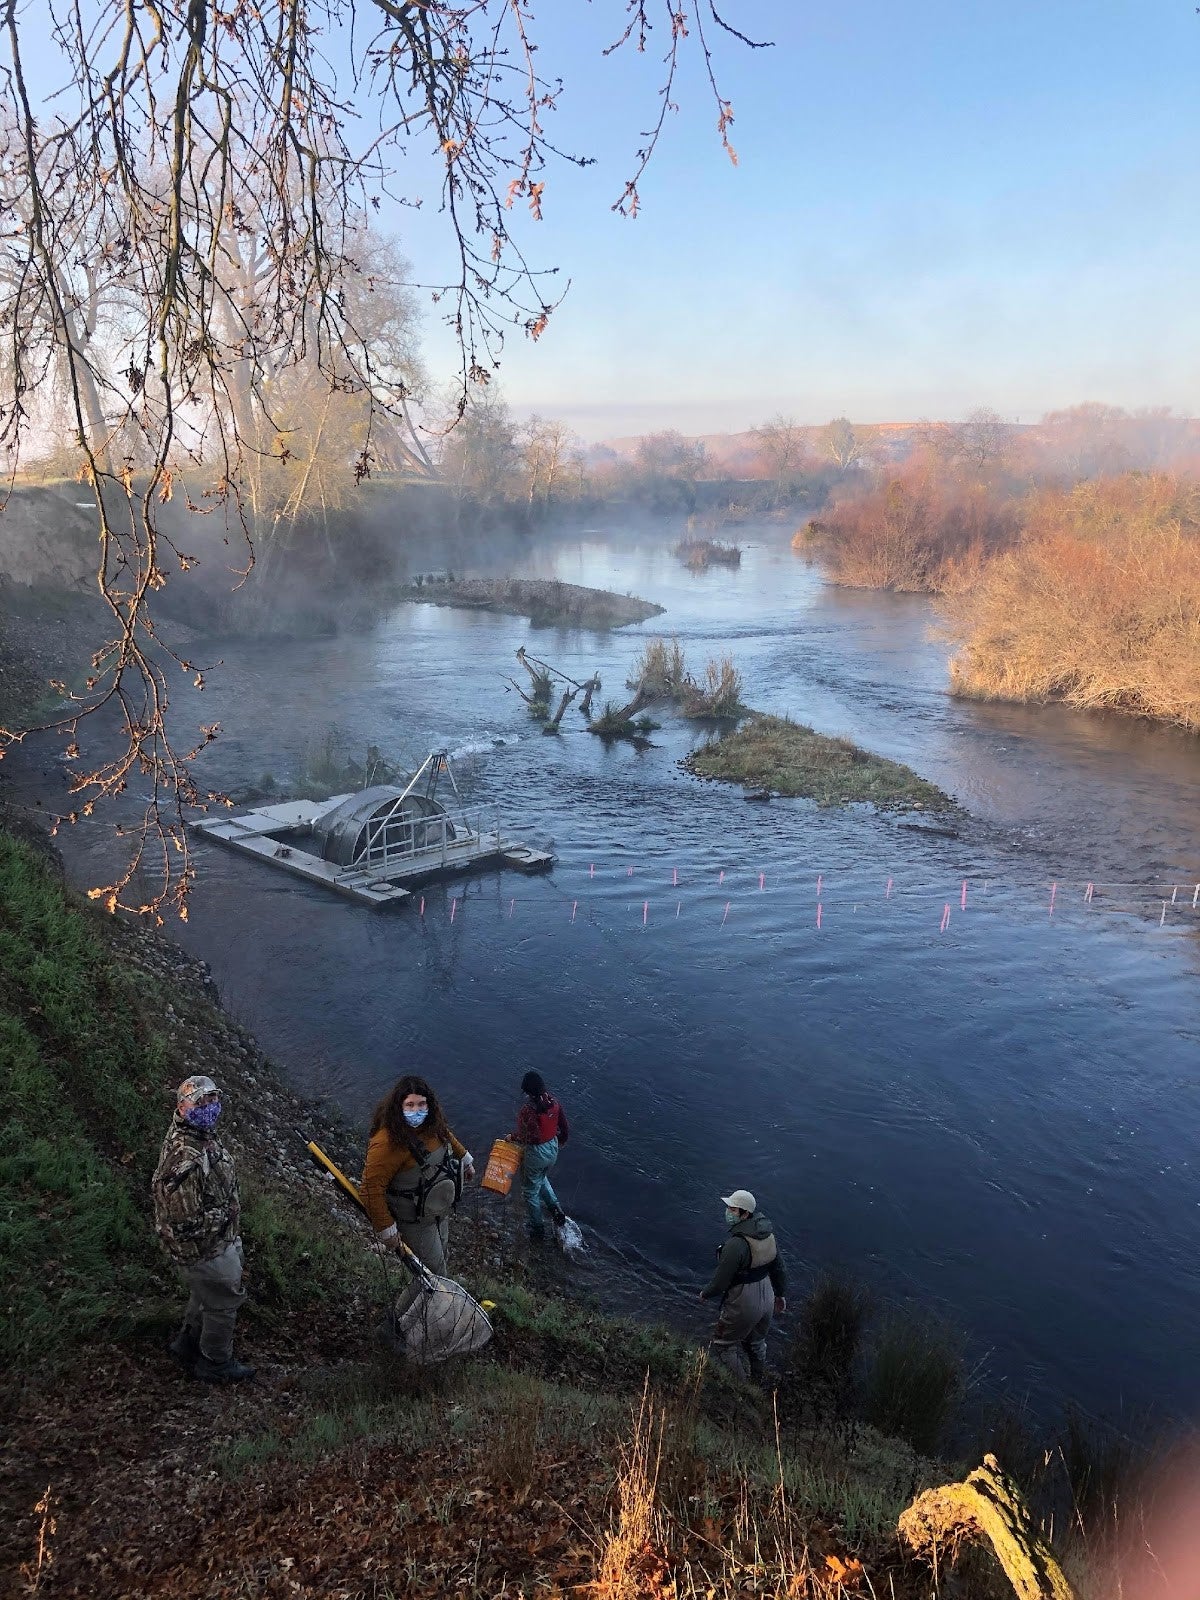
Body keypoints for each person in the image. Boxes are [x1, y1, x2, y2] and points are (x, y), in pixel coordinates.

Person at [151, 1075, 255, 1383]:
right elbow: (185, 1223)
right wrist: (226, 1214)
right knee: (224, 1299)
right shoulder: (185, 1156)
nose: (209, 1107)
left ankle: (187, 1343)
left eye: (213, 1100)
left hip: (217, 1238)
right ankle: (215, 1362)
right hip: (202, 1247)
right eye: (201, 1102)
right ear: (183, 1107)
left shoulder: (199, 1134)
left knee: (204, 1294)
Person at [360, 1074, 475, 1309]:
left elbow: (447, 1136)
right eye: (410, 1105)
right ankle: (398, 1326)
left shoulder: (432, 1125)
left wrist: (465, 1159)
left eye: (422, 1104)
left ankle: (419, 1316)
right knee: (434, 1273)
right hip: (414, 1222)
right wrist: (386, 1229)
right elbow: (370, 1189)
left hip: (438, 1213)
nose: (417, 1110)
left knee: (435, 1266)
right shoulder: (386, 1143)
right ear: (399, 1106)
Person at [699, 1188, 787, 1385]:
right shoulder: (768, 1236)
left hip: (745, 1300)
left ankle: (742, 1388)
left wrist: (706, 1293)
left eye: (732, 1209)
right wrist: (780, 1295)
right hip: (767, 1295)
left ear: (745, 1214)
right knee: (756, 1343)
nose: (728, 1213)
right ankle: (757, 1381)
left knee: (723, 1345)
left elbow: (721, 1281)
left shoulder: (736, 1244)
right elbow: (779, 1267)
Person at [510, 1070, 569, 1241]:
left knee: (529, 1191)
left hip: (536, 1153)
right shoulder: (554, 1102)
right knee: (541, 1177)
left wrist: (512, 1137)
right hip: (553, 1148)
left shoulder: (528, 1110)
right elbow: (565, 1127)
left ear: (527, 1090)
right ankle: (555, 1209)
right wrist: (560, 1142)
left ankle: (537, 1229)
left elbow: (531, 1137)